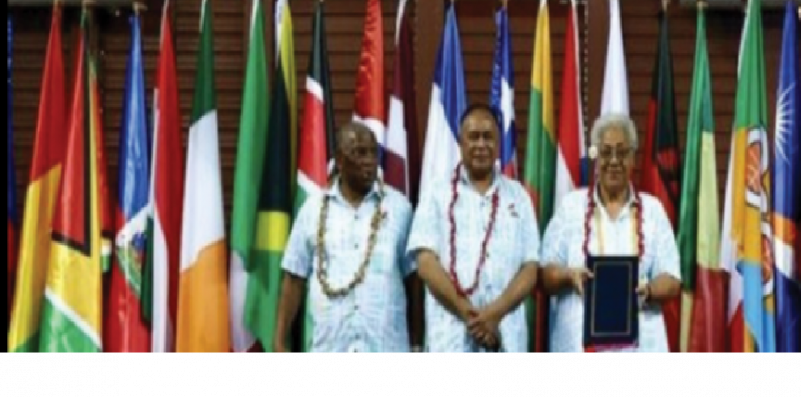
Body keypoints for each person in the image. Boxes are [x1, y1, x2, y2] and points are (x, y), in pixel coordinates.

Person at [540, 113, 681, 353]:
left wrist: (648, 291)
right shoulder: (570, 207)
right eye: (606, 152)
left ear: (633, 158)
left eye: (622, 152)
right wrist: (569, 275)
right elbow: (545, 274)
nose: (614, 161)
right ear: (595, 157)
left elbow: (672, 280)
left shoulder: (653, 210)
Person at [408, 103, 540, 352]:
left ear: (498, 144)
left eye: (488, 137)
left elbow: (530, 268)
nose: (481, 144)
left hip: (507, 339)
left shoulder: (519, 197)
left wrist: (495, 314)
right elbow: (425, 263)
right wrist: (471, 316)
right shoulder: (436, 193)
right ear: (460, 143)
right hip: (450, 339)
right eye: (473, 137)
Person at [275, 122, 417, 353]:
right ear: (340, 161)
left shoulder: (399, 208)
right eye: (359, 153)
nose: (369, 161)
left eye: (373, 153)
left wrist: (417, 343)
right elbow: (294, 277)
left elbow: (414, 280)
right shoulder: (312, 210)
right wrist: (280, 342)